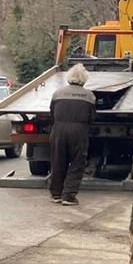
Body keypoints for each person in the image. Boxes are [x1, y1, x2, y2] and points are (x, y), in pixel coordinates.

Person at [49, 63, 96, 206]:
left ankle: (56, 194)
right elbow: (92, 118)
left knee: (58, 161)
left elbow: (52, 112)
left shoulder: (58, 93)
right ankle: (68, 196)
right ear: (84, 79)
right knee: (77, 162)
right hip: (79, 130)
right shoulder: (89, 96)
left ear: (69, 77)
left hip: (59, 128)